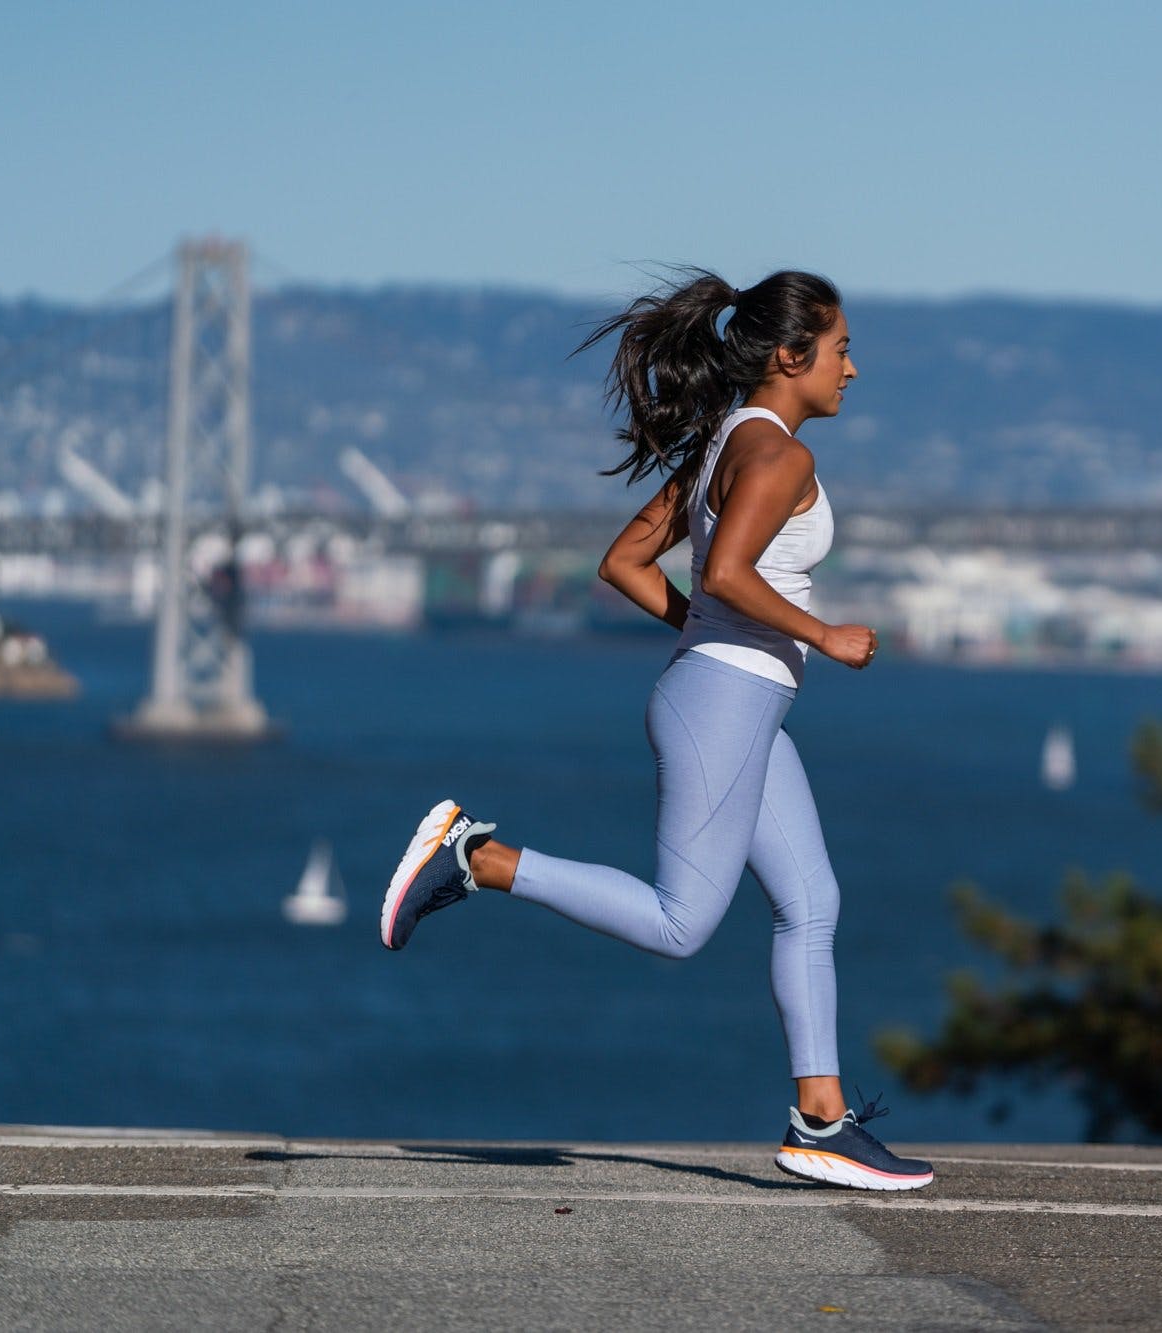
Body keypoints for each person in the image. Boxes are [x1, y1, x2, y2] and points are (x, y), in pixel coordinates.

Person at [377, 268, 933, 1192]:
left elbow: (624, 563)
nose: (853, 369)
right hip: (724, 707)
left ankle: (822, 1121)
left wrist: (713, 638)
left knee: (812, 902)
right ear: (791, 356)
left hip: (731, 704)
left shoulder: (725, 444)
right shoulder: (780, 455)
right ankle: (476, 854)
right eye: (840, 350)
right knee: (682, 924)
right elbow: (724, 573)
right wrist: (820, 635)